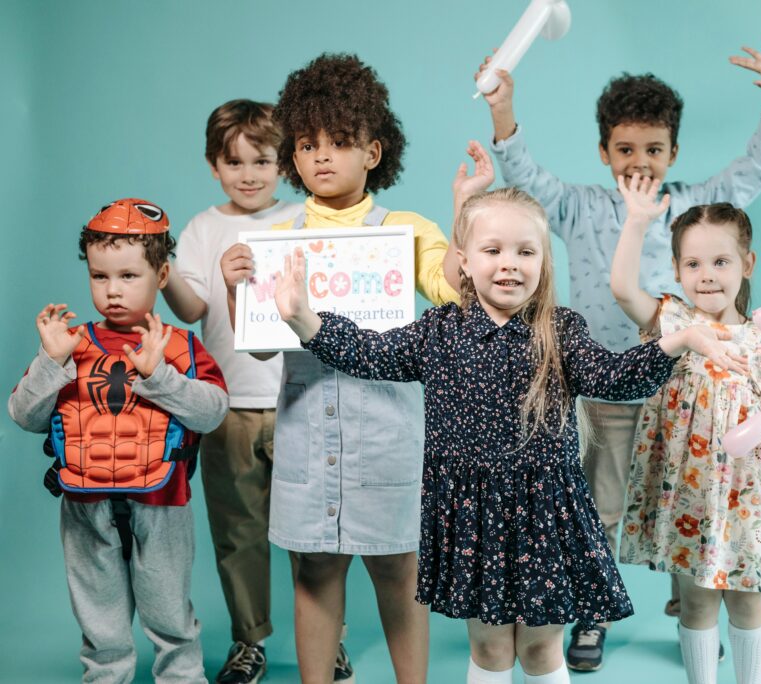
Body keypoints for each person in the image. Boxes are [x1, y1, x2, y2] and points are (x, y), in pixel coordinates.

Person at [271, 162, 748, 683]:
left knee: (541, 647)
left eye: (525, 252)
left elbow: (613, 378)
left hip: (546, 511)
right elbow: (371, 354)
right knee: (490, 644)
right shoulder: (438, 331)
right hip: (473, 514)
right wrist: (304, 319)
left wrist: (677, 341)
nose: (509, 265)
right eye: (493, 250)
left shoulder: (561, 330)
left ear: (544, 261)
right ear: (464, 259)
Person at [475, 46, 761, 669]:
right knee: (601, 506)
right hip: (607, 392)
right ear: (604, 152)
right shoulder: (580, 207)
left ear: (672, 152)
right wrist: (502, 109)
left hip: (688, 392)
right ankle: (591, 613)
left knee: (690, 498)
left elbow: (752, 170)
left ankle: (692, 604)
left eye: (653, 149)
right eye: (625, 149)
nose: (639, 161)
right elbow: (526, 175)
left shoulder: (693, 207)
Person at [218, 53, 460, 684]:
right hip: (307, 431)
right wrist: (236, 289)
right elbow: (261, 347)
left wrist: (465, 215)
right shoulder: (275, 239)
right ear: (292, 158)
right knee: (315, 570)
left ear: (374, 151)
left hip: (387, 434)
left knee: (398, 568)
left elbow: (455, 292)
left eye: (341, 141)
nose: (322, 156)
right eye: (307, 144)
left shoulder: (406, 230)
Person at [8, 199, 228, 683]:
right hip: (84, 503)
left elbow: (212, 413)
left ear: (162, 274)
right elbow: (24, 415)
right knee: (99, 619)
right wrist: (52, 363)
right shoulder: (68, 343)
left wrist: (160, 376)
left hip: (163, 500)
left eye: (129, 276)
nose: (112, 290)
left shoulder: (180, 346)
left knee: (170, 613)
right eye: (99, 276)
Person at [612, 174, 761, 684]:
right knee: (697, 603)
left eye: (721, 262)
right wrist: (636, 222)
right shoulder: (673, 321)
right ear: (677, 269)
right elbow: (622, 289)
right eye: (693, 264)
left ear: (747, 264)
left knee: (747, 603)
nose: (706, 276)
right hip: (691, 492)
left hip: (746, 493)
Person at [161, 98, 302, 684]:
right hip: (227, 406)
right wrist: (167, 274)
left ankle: (328, 640)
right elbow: (190, 308)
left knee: (315, 534)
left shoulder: (303, 217)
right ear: (213, 165)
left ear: (283, 163)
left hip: (301, 401)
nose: (249, 175)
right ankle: (250, 640)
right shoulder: (204, 228)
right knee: (238, 533)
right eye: (234, 162)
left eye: (262, 161)